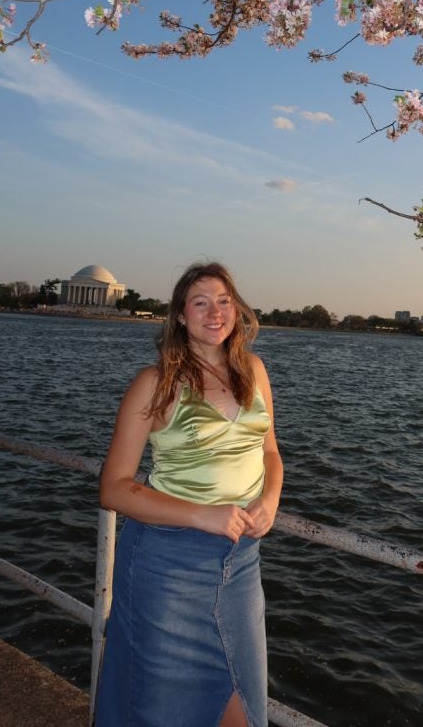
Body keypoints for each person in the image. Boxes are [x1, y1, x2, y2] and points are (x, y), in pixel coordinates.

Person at [95, 261, 283, 727]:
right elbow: (114, 488)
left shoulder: (253, 371)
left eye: (224, 301)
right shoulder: (153, 383)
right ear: (180, 316)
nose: (214, 312)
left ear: (236, 310)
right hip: (167, 570)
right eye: (200, 302)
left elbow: (271, 451)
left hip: (241, 565)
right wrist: (203, 515)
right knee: (163, 712)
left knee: (242, 707)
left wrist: (270, 500)